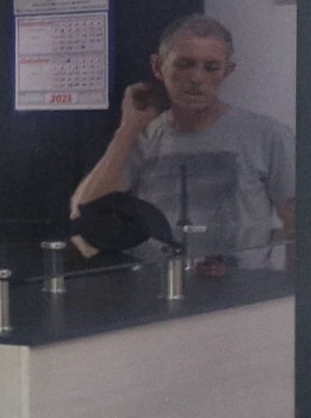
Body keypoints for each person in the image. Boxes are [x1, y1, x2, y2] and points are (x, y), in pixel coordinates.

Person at [71, 14, 295, 263]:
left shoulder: (268, 136)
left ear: (227, 71)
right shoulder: (142, 137)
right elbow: (87, 222)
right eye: (185, 64)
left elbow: (299, 226)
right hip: (155, 281)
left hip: (241, 283)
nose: (196, 78)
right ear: (158, 67)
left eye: (211, 67)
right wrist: (128, 129)